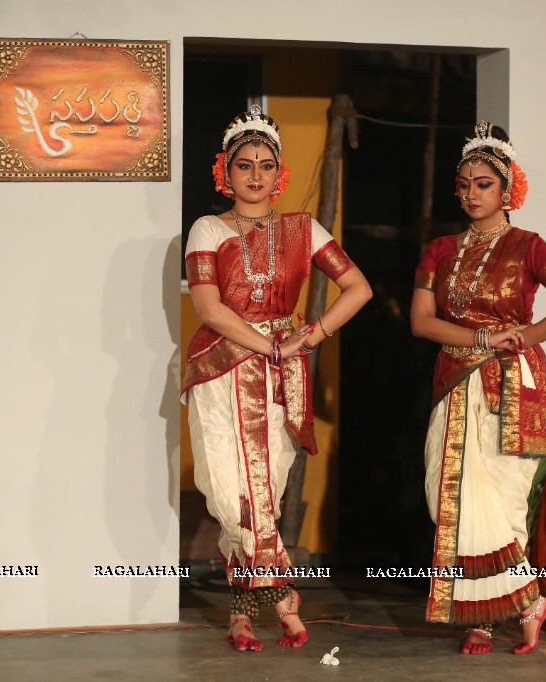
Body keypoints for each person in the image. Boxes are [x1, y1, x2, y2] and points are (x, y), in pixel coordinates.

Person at [181, 105, 371, 652]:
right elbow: (211, 310)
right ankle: (284, 597)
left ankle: (241, 615)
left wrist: (308, 337)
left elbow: (359, 288)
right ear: (226, 171)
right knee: (231, 493)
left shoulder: (302, 228)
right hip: (221, 368)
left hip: (279, 375)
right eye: (245, 165)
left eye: (267, 165)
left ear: (279, 172)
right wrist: (268, 343)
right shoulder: (207, 228)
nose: (256, 175)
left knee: (266, 489)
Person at [410, 121, 546, 655]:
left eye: (483, 184)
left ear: (508, 188)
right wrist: (484, 336)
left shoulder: (530, 246)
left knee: (502, 502)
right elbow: (422, 321)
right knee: (451, 496)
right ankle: (526, 602)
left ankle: (485, 620)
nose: (470, 193)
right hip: (456, 378)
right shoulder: (440, 248)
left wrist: (522, 338)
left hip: (514, 384)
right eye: (463, 184)